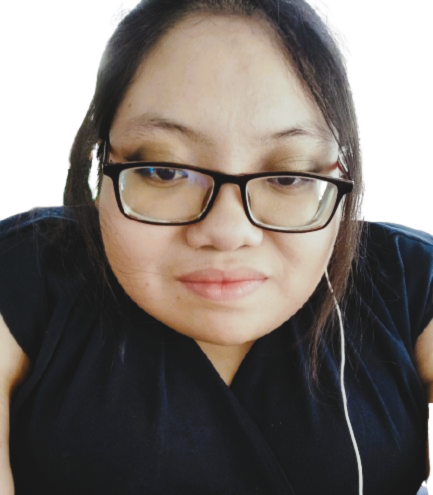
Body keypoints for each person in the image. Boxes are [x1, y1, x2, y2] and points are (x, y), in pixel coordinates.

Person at [0, 0, 432, 494]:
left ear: (338, 172)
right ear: (102, 162)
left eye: (288, 175)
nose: (228, 232)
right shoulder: (27, 273)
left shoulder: (408, 281)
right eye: (164, 170)